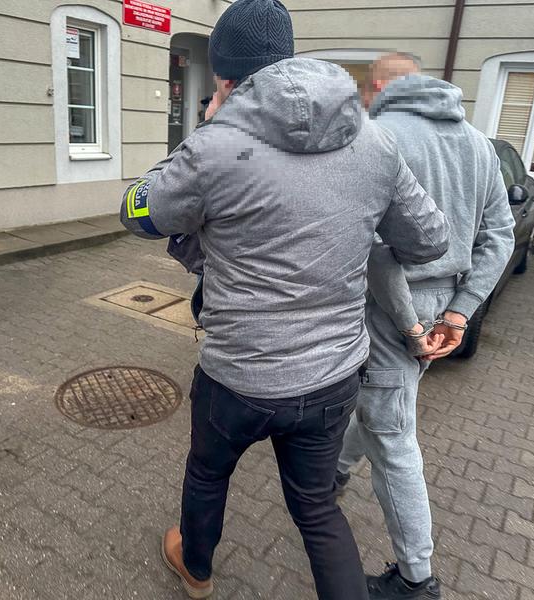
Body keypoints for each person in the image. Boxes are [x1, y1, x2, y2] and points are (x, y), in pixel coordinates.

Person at [120, 1, 451, 596]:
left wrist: (203, 135)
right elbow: (429, 241)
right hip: (332, 377)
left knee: (207, 474)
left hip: (237, 377)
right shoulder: (375, 143)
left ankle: (196, 568)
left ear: (225, 79)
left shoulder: (215, 147)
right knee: (316, 508)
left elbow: (138, 212)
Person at [335, 53, 516, 600]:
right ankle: (335, 471)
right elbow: (500, 235)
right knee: (385, 404)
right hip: (441, 304)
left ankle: (416, 580)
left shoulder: (374, 137)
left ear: (379, 86)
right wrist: (460, 311)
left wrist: (411, 326)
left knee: (394, 437)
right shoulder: (479, 145)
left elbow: (373, 247)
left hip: (390, 305)